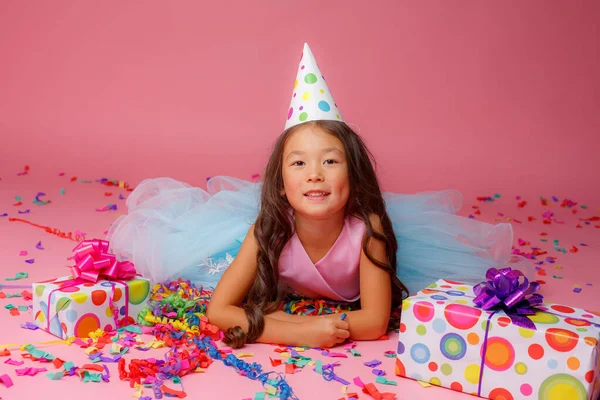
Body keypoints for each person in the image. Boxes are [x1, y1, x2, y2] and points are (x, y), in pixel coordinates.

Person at [107, 43, 514, 349]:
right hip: (279, 285)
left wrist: (316, 327)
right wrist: (300, 331)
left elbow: (373, 321)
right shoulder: (270, 227)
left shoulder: (368, 229)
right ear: (282, 184)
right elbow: (219, 310)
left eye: (331, 162)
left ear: (353, 176)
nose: (315, 174)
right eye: (299, 164)